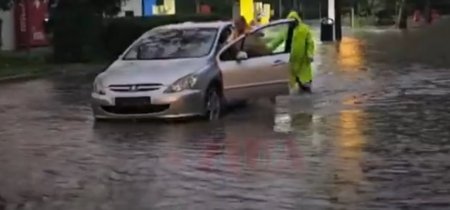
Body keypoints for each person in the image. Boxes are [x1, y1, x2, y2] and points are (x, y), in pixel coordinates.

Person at [272, 10, 315, 93]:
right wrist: (266, 49)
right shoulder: (287, 30)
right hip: (291, 61)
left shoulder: (304, 29)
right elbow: (277, 41)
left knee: (305, 85)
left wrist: (310, 54)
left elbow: (310, 43)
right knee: (292, 85)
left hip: (303, 61)